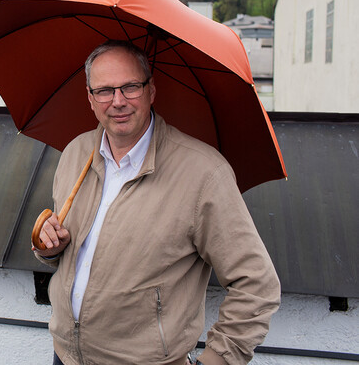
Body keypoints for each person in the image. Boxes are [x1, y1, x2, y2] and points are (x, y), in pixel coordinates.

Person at [34, 40, 280, 365]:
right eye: (105, 90)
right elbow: (80, 259)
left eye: (130, 87)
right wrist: (50, 248)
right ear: (90, 98)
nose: (118, 101)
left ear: (151, 91)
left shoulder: (203, 172)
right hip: (66, 356)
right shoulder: (76, 154)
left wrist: (218, 359)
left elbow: (257, 284)